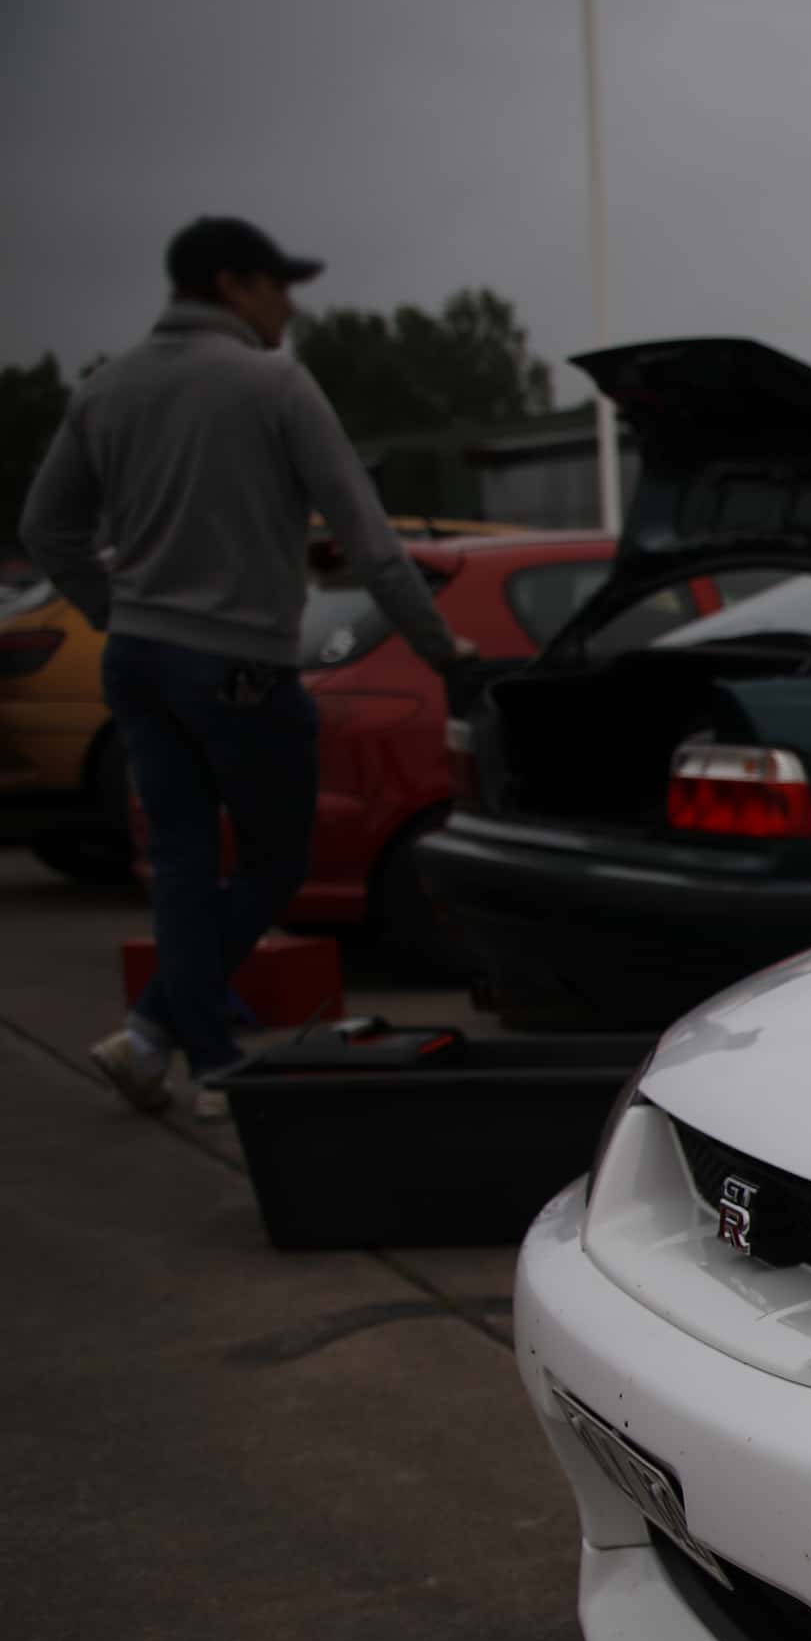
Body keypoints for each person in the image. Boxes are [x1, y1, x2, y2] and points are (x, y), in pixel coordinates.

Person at [18, 215, 474, 1117]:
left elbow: (46, 530)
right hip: (240, 668)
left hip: (139, 664)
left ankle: (155, 1037)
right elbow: (370, 543)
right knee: (274, 861)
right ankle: (205, 1054)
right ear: (233, 284)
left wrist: (117, 610)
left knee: (184, 859)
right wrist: (443, 651)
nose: (290, 306)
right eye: (278, 286)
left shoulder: (105, 389)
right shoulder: (274, 384)